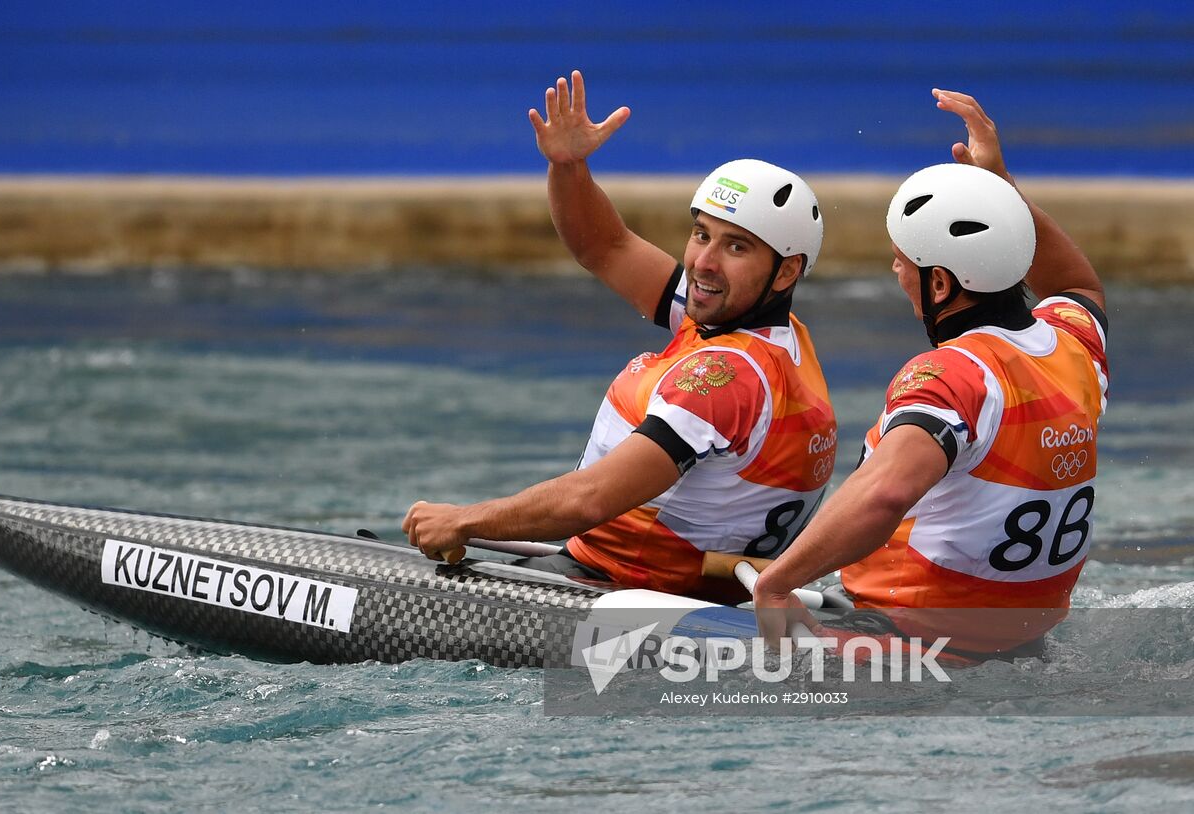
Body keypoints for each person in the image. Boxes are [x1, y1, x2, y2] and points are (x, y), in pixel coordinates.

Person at [402, 71, 836, 602]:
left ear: (786, 272)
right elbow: (603, 248)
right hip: (679, 590)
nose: (703, 262)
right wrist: (568, 166)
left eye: (736, 247)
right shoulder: (769, 334)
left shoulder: (725, 378)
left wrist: (465, 520)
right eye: (701, 235)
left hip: (618, 594)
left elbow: (592, 499)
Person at [753, 89, 1109, 656]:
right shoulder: (1076, 347)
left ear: (939, 284)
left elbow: (887, 491)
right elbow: (1077, 286)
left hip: (901, 649)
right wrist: (1000, 186)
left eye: (902, 260)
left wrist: (778, 583)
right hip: (1024, 649)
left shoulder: (952, 375)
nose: (895, 271)